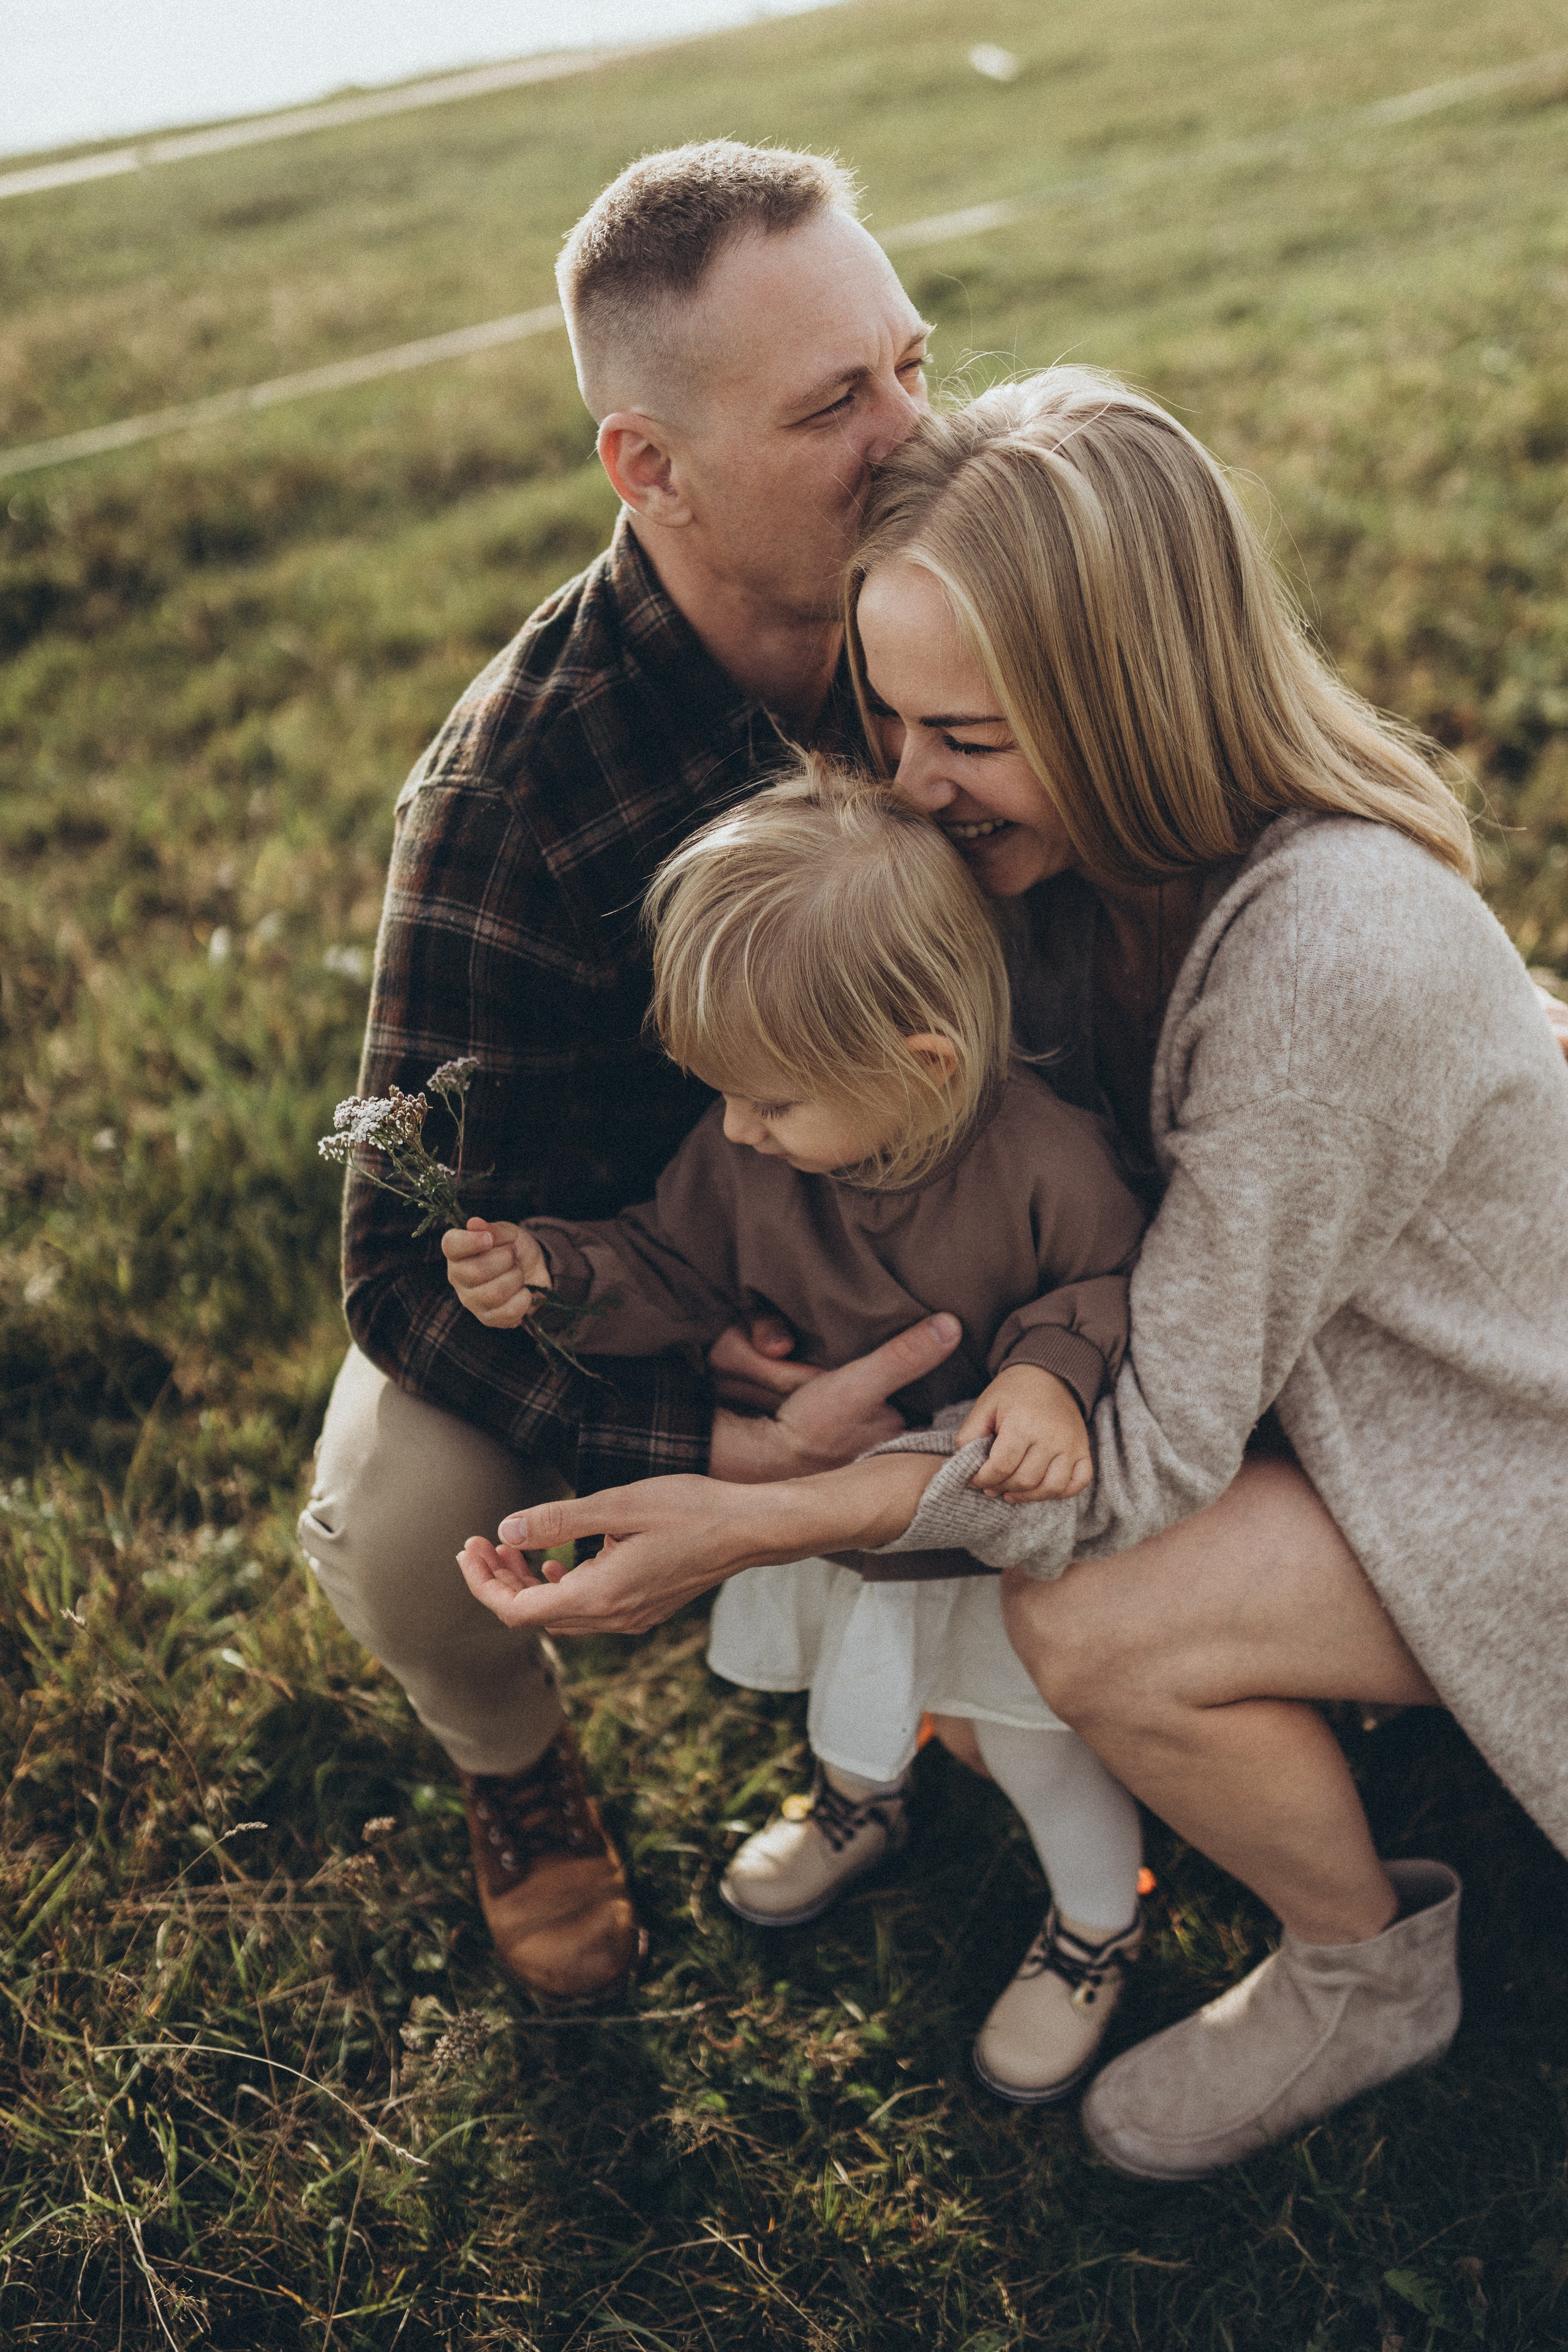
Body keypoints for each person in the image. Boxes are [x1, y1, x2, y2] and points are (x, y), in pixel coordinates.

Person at [459, 369, 1568, 2176]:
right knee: (994, 1610)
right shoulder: (1046, 888)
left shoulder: (1326, 960)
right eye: (887, 720)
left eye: (962, 736)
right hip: (1320, 1411)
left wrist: (751, 1514)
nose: (908, 786)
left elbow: (1132, 1477)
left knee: (1094, 1611)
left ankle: (1371, 1967)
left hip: (1506, 1455)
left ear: (1129, 704)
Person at [296, 140, 967, 2002]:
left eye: (916, 362)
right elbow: (397, 1268)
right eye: (838, 402)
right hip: (674, 1277)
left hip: (980, 1186)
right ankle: (516, 1776)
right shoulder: (520, 791)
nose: (913, 435)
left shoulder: (987, 578)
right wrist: (720, 1450)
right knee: (408, 1519)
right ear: (647, 467)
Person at [450, 760, 1148, 2100]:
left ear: (919, 1064)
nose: (734, 1128)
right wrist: (558, 1270)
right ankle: (859, 1798)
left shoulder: (1045, 1159)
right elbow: (675, 1261)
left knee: (1022, 1738)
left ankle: (1095, 1921)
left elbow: (1110, 1285)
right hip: (836, 1523)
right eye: (723, 1095)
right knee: (851, 1676)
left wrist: (1051, 1377)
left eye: (770, 1102)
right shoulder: (740, 1161)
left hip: (981, 1533)